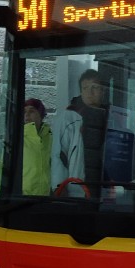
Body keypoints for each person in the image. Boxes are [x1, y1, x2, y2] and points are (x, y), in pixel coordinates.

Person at [54, 68, 109, 196]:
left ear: (103, 91)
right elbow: (58, 156)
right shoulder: (68, 118)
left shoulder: (112, 117)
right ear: (80, 92)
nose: (89, 92)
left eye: (94, 87)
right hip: (78, 191)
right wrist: (58, 189)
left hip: (106, 189)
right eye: (85, 88)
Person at [21, 97, 52, 195]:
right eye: (24, 112)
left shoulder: (51, 138)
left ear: (41, 114)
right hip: (22, 199)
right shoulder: (18, 139)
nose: (27, 115)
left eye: (32, 111)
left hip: (48, 199)